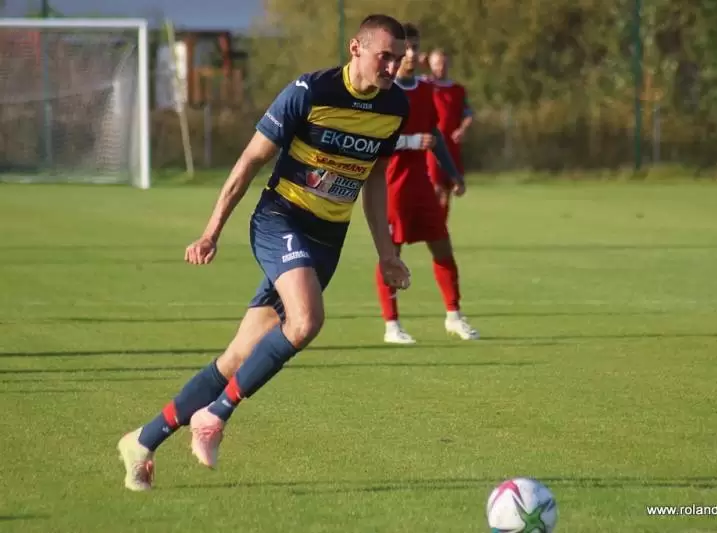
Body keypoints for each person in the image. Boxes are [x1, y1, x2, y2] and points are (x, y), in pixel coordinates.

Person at [116, 14, 411, 492]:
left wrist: (387, 253)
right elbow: (250, 161)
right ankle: (216, 415)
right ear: (356, 48)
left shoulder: (395, 106)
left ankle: (143, 441)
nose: (394, 67)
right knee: (306, 321)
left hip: (328, 239)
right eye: (386, 57)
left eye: (399, 58)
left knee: (237, 358)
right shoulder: (309, 92)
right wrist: (211, 231)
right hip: (281, 220)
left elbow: (375, 179)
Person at [376, 23, 479, 345]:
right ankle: (392, 325)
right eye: (405, 48)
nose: (410, 54)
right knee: (390, 255)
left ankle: (454, 316)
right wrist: (408, 141)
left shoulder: (424, 90)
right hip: (391, 186)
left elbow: (434, 136)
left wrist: (454, 173)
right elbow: (373, 139)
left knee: (443, 247)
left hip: (421, 184)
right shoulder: (384, 91)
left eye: (414, 47)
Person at [425, 48, 473, 218]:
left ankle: (440, 226)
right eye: (437, 64)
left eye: (444, 63)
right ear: (430, 65)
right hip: (432, 146)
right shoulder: (426, 86)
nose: (441, 67)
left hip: (452, 146)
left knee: (449, 190)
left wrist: (462, 129)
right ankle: (431, 225)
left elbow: (468, 114)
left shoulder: (458, 90)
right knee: (435, 187)